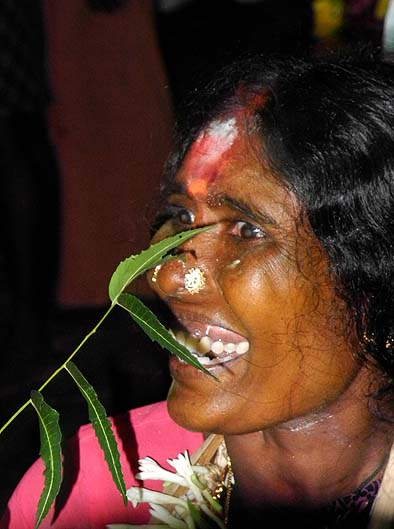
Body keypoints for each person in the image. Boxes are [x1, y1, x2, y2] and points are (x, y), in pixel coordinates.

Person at [3, 49, 394, 528]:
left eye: (247, 230)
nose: (166, 276)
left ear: (376, 285)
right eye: (182, 218)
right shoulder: (85, 493)